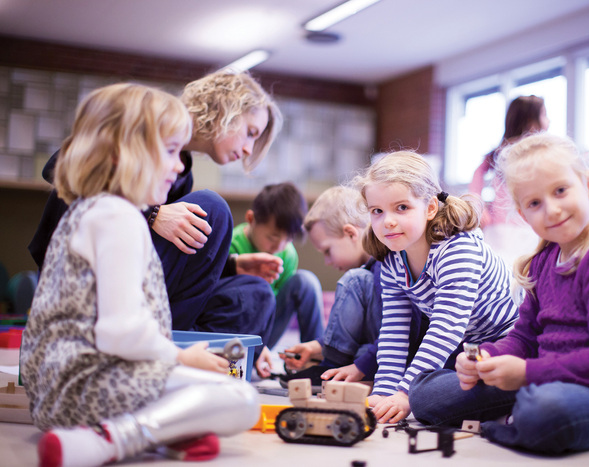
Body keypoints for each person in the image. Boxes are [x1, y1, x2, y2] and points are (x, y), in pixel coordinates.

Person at [20, 83, 260, 467]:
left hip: (52, 392)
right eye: (168, 152)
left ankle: (159, 433)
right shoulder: (120, 217)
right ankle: (112, 440)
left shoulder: (93, 210)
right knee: (240, 399)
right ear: (121, 154)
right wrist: (182, 359)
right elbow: (121, 333)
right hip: (85, 389)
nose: (180, 165)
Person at [409, 133, 589, 455]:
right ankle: (519, 415)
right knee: (425, 395)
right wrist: (486, 358)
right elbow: (524, 338)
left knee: (545, 410)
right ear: (523, 215)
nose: (552, 210)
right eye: (535, 203)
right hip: (542, 380)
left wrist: (526, 374)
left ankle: (514, 421)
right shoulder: (543, 259)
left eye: (560, 191)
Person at [27, 71, 284, 342]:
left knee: (256, 293)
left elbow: (164, 258)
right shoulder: (146, 121)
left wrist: (230, 266)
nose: (248, 149)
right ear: (228, 110)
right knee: (213, 209)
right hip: (82, 279)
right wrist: (152, 213)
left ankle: (183, 347)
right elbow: (61, 167)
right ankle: (166, 346)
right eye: (250, 133)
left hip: (140, 286)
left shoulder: (182, 174)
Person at [353, 150, 520, 424]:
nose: (388, 221)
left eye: (402, 208)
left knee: (422, 397)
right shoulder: (393, 258)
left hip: (508, 341)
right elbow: (395, 330)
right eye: (377, 211)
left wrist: (404, 395)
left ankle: (524, 390)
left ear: (430, 208)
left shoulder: (457, 249)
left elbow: (446, 328)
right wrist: (384, 394)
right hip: (466, 348)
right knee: (409, 381)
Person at [280, 185, 420, 385]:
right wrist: (316, 347)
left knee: (354, 280)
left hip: (400, 355)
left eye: (327, 251)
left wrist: (350, 363)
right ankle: (332, 361)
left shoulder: (384, 267)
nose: (328, 261)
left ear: (351, 233)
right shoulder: (373, 269)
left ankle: (331, 365)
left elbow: (399, 332)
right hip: (381, 349)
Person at [224, 182, 325, 374]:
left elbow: (277, 306)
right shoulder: (232, 245)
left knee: (306, 282)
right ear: (251, 218)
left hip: (266, 330)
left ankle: (313, 361)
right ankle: (251, 356)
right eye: (272, 237)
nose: (278, 247)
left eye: (287, 239)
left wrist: (265, 347)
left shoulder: (287, 254)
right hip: (236, 332)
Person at [469, 95, 549, 268]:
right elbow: (478, 174)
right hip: (505, 230)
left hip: (526, 226)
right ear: (530, 120)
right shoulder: (504, 152)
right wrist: (478, 206)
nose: (548, 121)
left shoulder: (539, 152)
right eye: (544, 114)